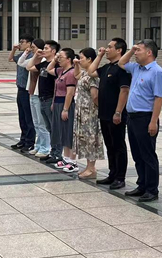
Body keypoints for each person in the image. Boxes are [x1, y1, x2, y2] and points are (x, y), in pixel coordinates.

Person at [118, 39, 162, 202]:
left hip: (146, 117)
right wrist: (131, 50)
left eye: (139, 50)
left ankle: (152, 189)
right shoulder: (136, 68)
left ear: (149, 52)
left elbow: (158, 98)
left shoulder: (157, 72)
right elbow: (121, 62)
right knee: (137, 154)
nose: (136, 53)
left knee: (148, 154)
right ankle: (142, 185)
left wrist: (153, 121)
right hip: (132, 117)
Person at [87, 38, 131, 189]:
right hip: (104, 113)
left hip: (115, 114)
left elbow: (124, 91)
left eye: (110, 47)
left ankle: (120, 177)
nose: (107, 49)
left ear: (119, 50)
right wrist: (99, 56)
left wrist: (118, 112)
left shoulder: (122, 69)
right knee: (110, 145)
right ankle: (112, 174)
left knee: (118, 145)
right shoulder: (107, 67)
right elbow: (91, 71)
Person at [73, 48, 104, 179]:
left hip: (90, 113)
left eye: (82, 58)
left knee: (91, 139)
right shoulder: (85, 73)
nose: (80, 60)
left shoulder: (93, 76)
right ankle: (88, 167)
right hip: (82, 112)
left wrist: (94, 109)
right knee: (84, 139)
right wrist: (76, 64)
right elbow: (76, 75)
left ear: (90, 59)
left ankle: (92, 168)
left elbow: (95, 96)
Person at [29, 40, 61, 164]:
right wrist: (36, 56)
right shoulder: (43, 64)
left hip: (50, 99)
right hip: (41, 98)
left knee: (54, 128)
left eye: (46, 48)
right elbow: (29, 67)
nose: (44, 50)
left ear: (53, 51)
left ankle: (57, 153)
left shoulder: (56, 66)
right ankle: (52, 151)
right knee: (48, 127)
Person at [48, 48, 78, 173]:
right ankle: (66, 158)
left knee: (68, 132)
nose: (59, 59)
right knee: (62, 132)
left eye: (61, 57)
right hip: (58, 103)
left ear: (69, 59)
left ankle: (73, 161)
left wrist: (65, 109)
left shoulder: (71, 73)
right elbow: (49, 69)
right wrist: (55, 59)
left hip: (66, 104)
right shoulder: (61, 71)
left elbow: (70, 93)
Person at [9, 35, 36, 151]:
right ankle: (23, 139)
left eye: (22, 42)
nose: (20, 44)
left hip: (27, 90)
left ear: (29, 43)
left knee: (28, 117)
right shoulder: (22, 55)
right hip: (20, 88)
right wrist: (14, 49)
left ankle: (30, 141)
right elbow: (11, 59)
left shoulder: (32, 56)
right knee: (22, 116)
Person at [25, 38, 51, 160]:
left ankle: (46, 147)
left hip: (40, 95)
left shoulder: (47, 62)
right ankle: (39, 145)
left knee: (42, 124)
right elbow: (27, 66)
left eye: (34, 47)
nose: (32, 49)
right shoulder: (37, 60)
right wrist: (36, 55)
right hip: (33, 93)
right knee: (36, 123)